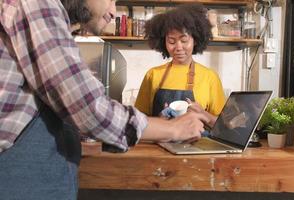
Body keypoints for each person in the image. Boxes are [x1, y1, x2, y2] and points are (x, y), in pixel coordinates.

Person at [0, 0, 208, 199]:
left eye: (184, 40)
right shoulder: (37, 3)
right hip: (18, 171)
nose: (113, 12)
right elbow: (88, 108)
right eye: (110, 0)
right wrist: (171, 128)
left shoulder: (208, 76)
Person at [135, 4, 226, 128]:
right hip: (158, 145)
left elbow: (223, 126)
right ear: (163, 42)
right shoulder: (153, 75)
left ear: (195, 40)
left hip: (198, 145)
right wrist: (159, 121)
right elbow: (138, 120)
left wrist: (203, 114)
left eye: (184, 41)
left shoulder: (209, 77)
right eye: (171, 41)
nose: (178, 47)